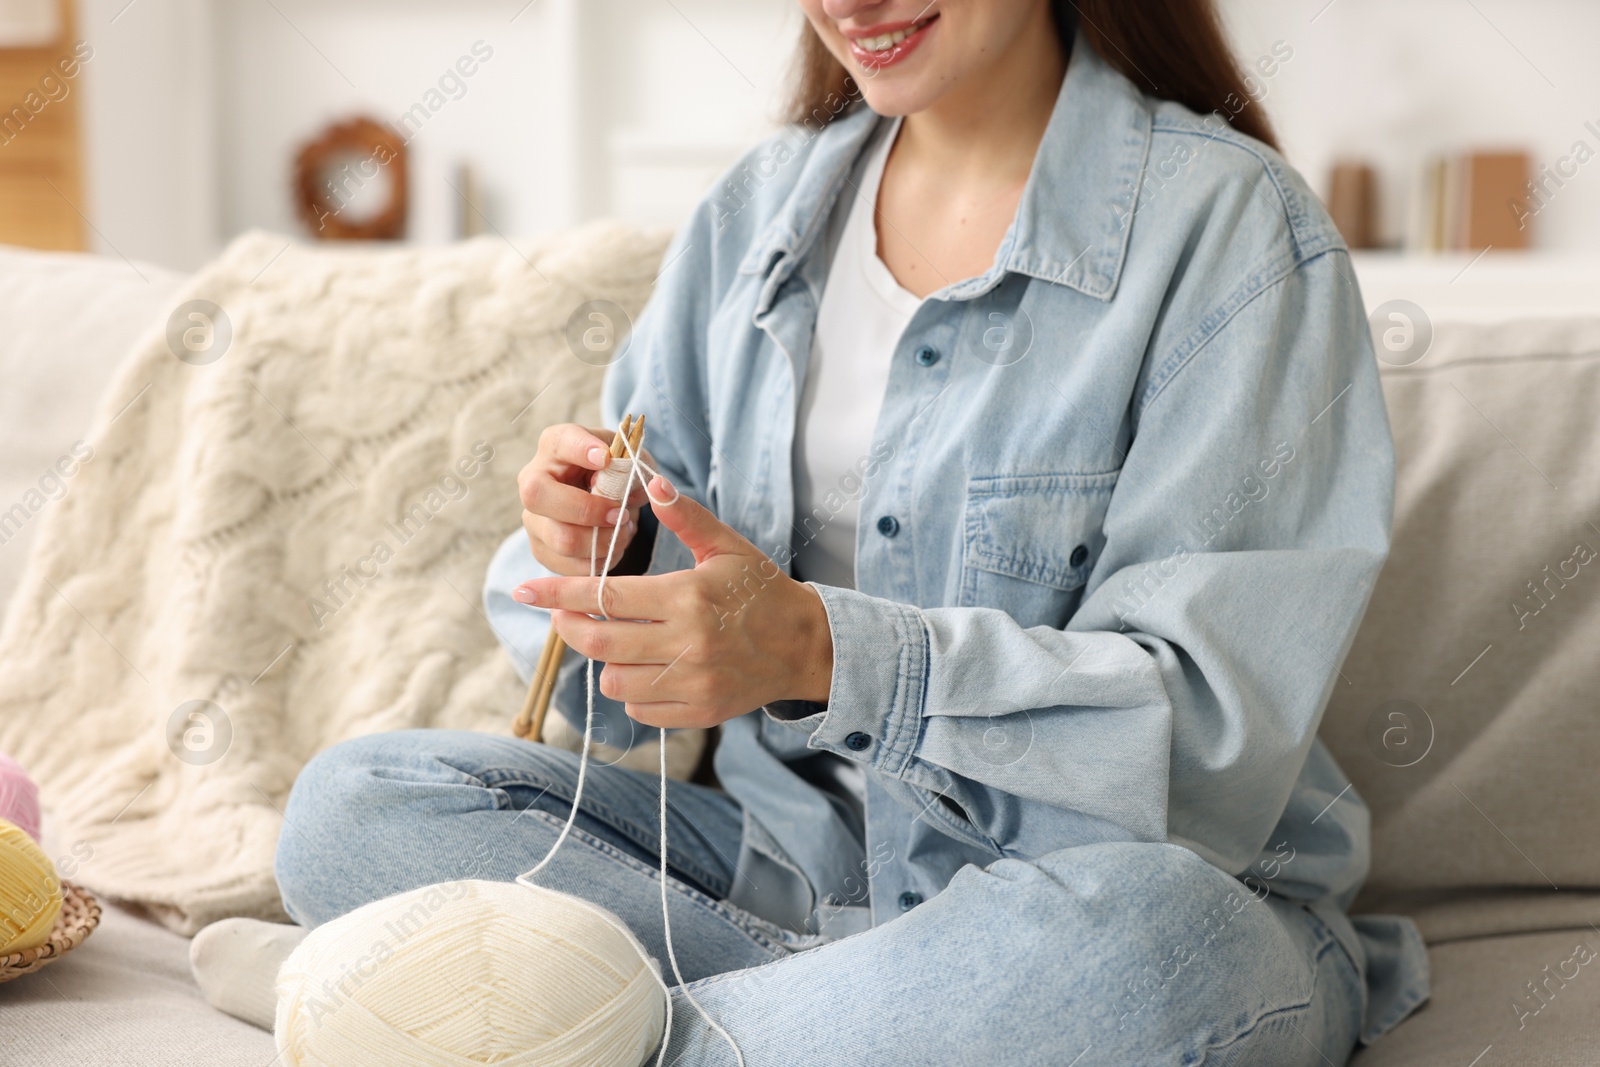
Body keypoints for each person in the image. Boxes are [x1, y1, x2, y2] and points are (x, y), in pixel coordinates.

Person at [275, 1, 1431, 1062]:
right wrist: (603, 560)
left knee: (1153, 964)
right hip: (779, 865)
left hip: (1090, 898)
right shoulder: (756, 212)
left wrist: (827, 653)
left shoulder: (1231, 229)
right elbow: (636, 652)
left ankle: (574, 1032)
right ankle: (829, 1021)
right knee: (355, 810)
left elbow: (1205, 740)